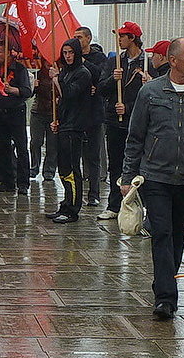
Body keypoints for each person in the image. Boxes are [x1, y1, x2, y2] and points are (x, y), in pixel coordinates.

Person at [122, 37, 184, 320]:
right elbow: (136, 137)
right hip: (156, 176)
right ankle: (165, 297)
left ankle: (164, 281)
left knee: (178, 236)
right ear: (173, 60)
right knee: (162, 234)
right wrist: (127, 176)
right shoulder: (151, 92)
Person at [96, 21, 153, 220]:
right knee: (116, 164)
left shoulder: (148, 63)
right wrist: (113, 79)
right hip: (115, 121)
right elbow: (101, 88)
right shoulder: (114, 62)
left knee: (139, 164)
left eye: (123, 36)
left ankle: (142, 206)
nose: (119, 39)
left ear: (132, 38)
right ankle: (114, 205)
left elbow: (152, 95)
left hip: (137, 122)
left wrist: (128, 106)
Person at [46, 36, 92, 224]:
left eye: (71, 52)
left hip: (75, 125)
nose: (68, 56)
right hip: (65, 124)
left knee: (72, 168)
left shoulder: (83, 73)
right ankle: (66, 203)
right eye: (65, 53)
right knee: (63, 167)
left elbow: (69, 93)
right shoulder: (65, 72)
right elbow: (61, 101)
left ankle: (73, 208)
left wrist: (56, 80)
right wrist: (56, 119)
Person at [0, 38, 33, 194]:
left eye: (0, 52)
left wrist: (12, 90)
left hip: (16, 112)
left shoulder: (19, 69)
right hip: (1, 113)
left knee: (21, 148)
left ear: (9, 53)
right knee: (2, 148)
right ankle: (7, 181)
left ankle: (23, 183)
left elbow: (27, 92)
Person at [73, 26, 107, 207]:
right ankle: (75, 194)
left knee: (93, 156)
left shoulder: (98, 58)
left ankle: (94, 193)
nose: (77, 40)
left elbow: (101, 76)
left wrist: (84, 61)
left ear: (88, 38)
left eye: (80, 37)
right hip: (77, 113)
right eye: (75, 37)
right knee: (74, 156)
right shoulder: (72, 59)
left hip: (94, 112)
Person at [28, 56, 58, 183]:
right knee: (36, 141)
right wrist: (33, 86)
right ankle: (34, 167)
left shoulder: (60, 73)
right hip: (38, 112)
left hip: (53, 113)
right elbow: (29, 93)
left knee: (52, 143)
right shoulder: (38, 73)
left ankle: (49, 170)